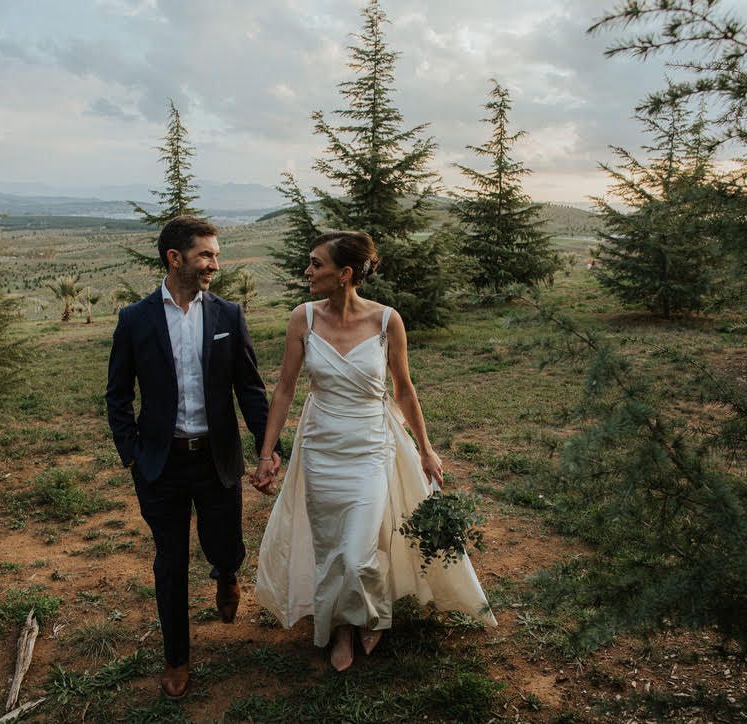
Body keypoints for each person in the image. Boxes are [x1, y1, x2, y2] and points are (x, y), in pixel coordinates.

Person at [251, 231, 497, 672]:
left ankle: (374, 614)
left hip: (369, 446)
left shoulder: (387, 321)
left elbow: (403, 388)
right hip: (321, 447)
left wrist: (425, 449)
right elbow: (285, 389)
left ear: (345, 274)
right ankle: (342, 627)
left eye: (316, 264)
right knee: (331, 549)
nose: (307, 271)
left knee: (358, 549)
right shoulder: (302, 319)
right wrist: (268, 452)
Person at [105, 215, 279, 699]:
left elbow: (250, 387)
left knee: (224, 544)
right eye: (206, 255)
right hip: (159, 465)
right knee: (170, 561)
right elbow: (117, 396)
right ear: (174, 258)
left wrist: (267, 448)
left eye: (216, 255)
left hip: (217, 459)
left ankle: (226, 575)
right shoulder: (135, 320)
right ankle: (176, 657)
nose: (214, 265)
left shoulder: (228, 315)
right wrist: (132, 454)